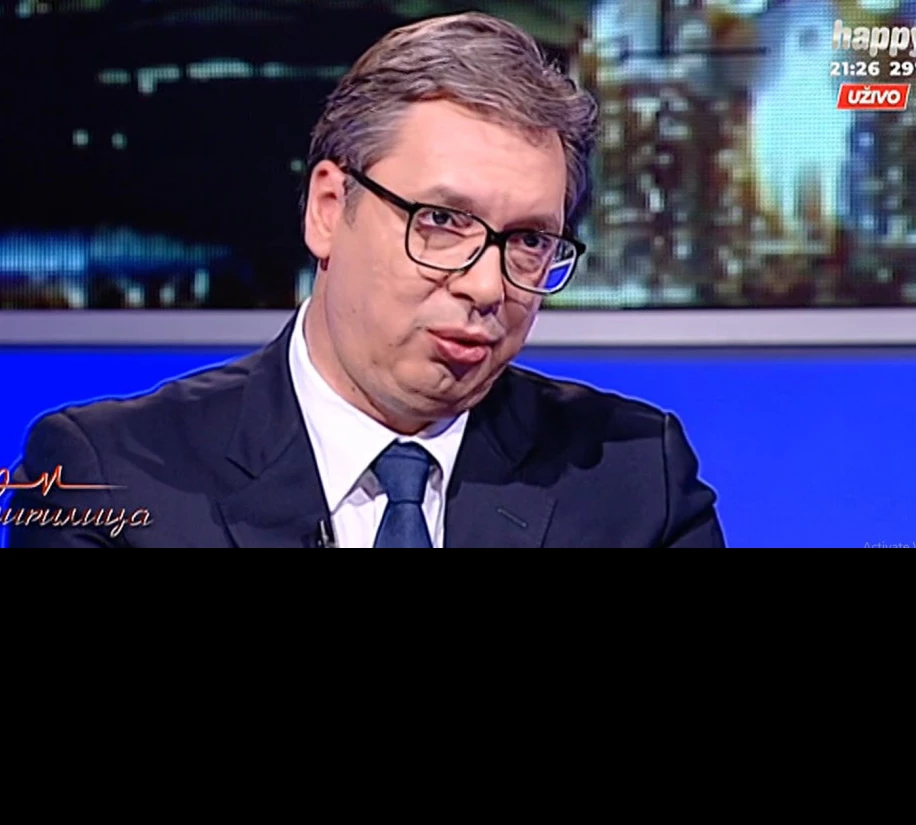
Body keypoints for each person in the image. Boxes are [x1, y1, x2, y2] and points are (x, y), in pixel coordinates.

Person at [4, 12, 724, 549]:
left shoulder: (635, 479)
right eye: (442, 220)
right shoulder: (106, 475)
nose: (486, 288)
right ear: (328, 209)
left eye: (530, 240)